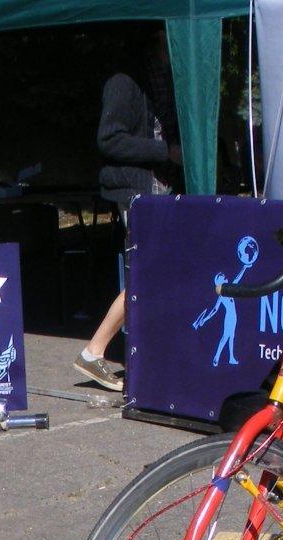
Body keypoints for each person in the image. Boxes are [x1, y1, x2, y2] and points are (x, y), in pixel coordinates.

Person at [75, 26, 180, 392]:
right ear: (159, 34)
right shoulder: (124, 80)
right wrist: (165, 152)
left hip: (162, 187)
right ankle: (94, 350)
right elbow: (109, 139)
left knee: (158, 271)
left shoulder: (168, 77)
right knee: (149, 272)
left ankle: (146, 354)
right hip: (137, 188)